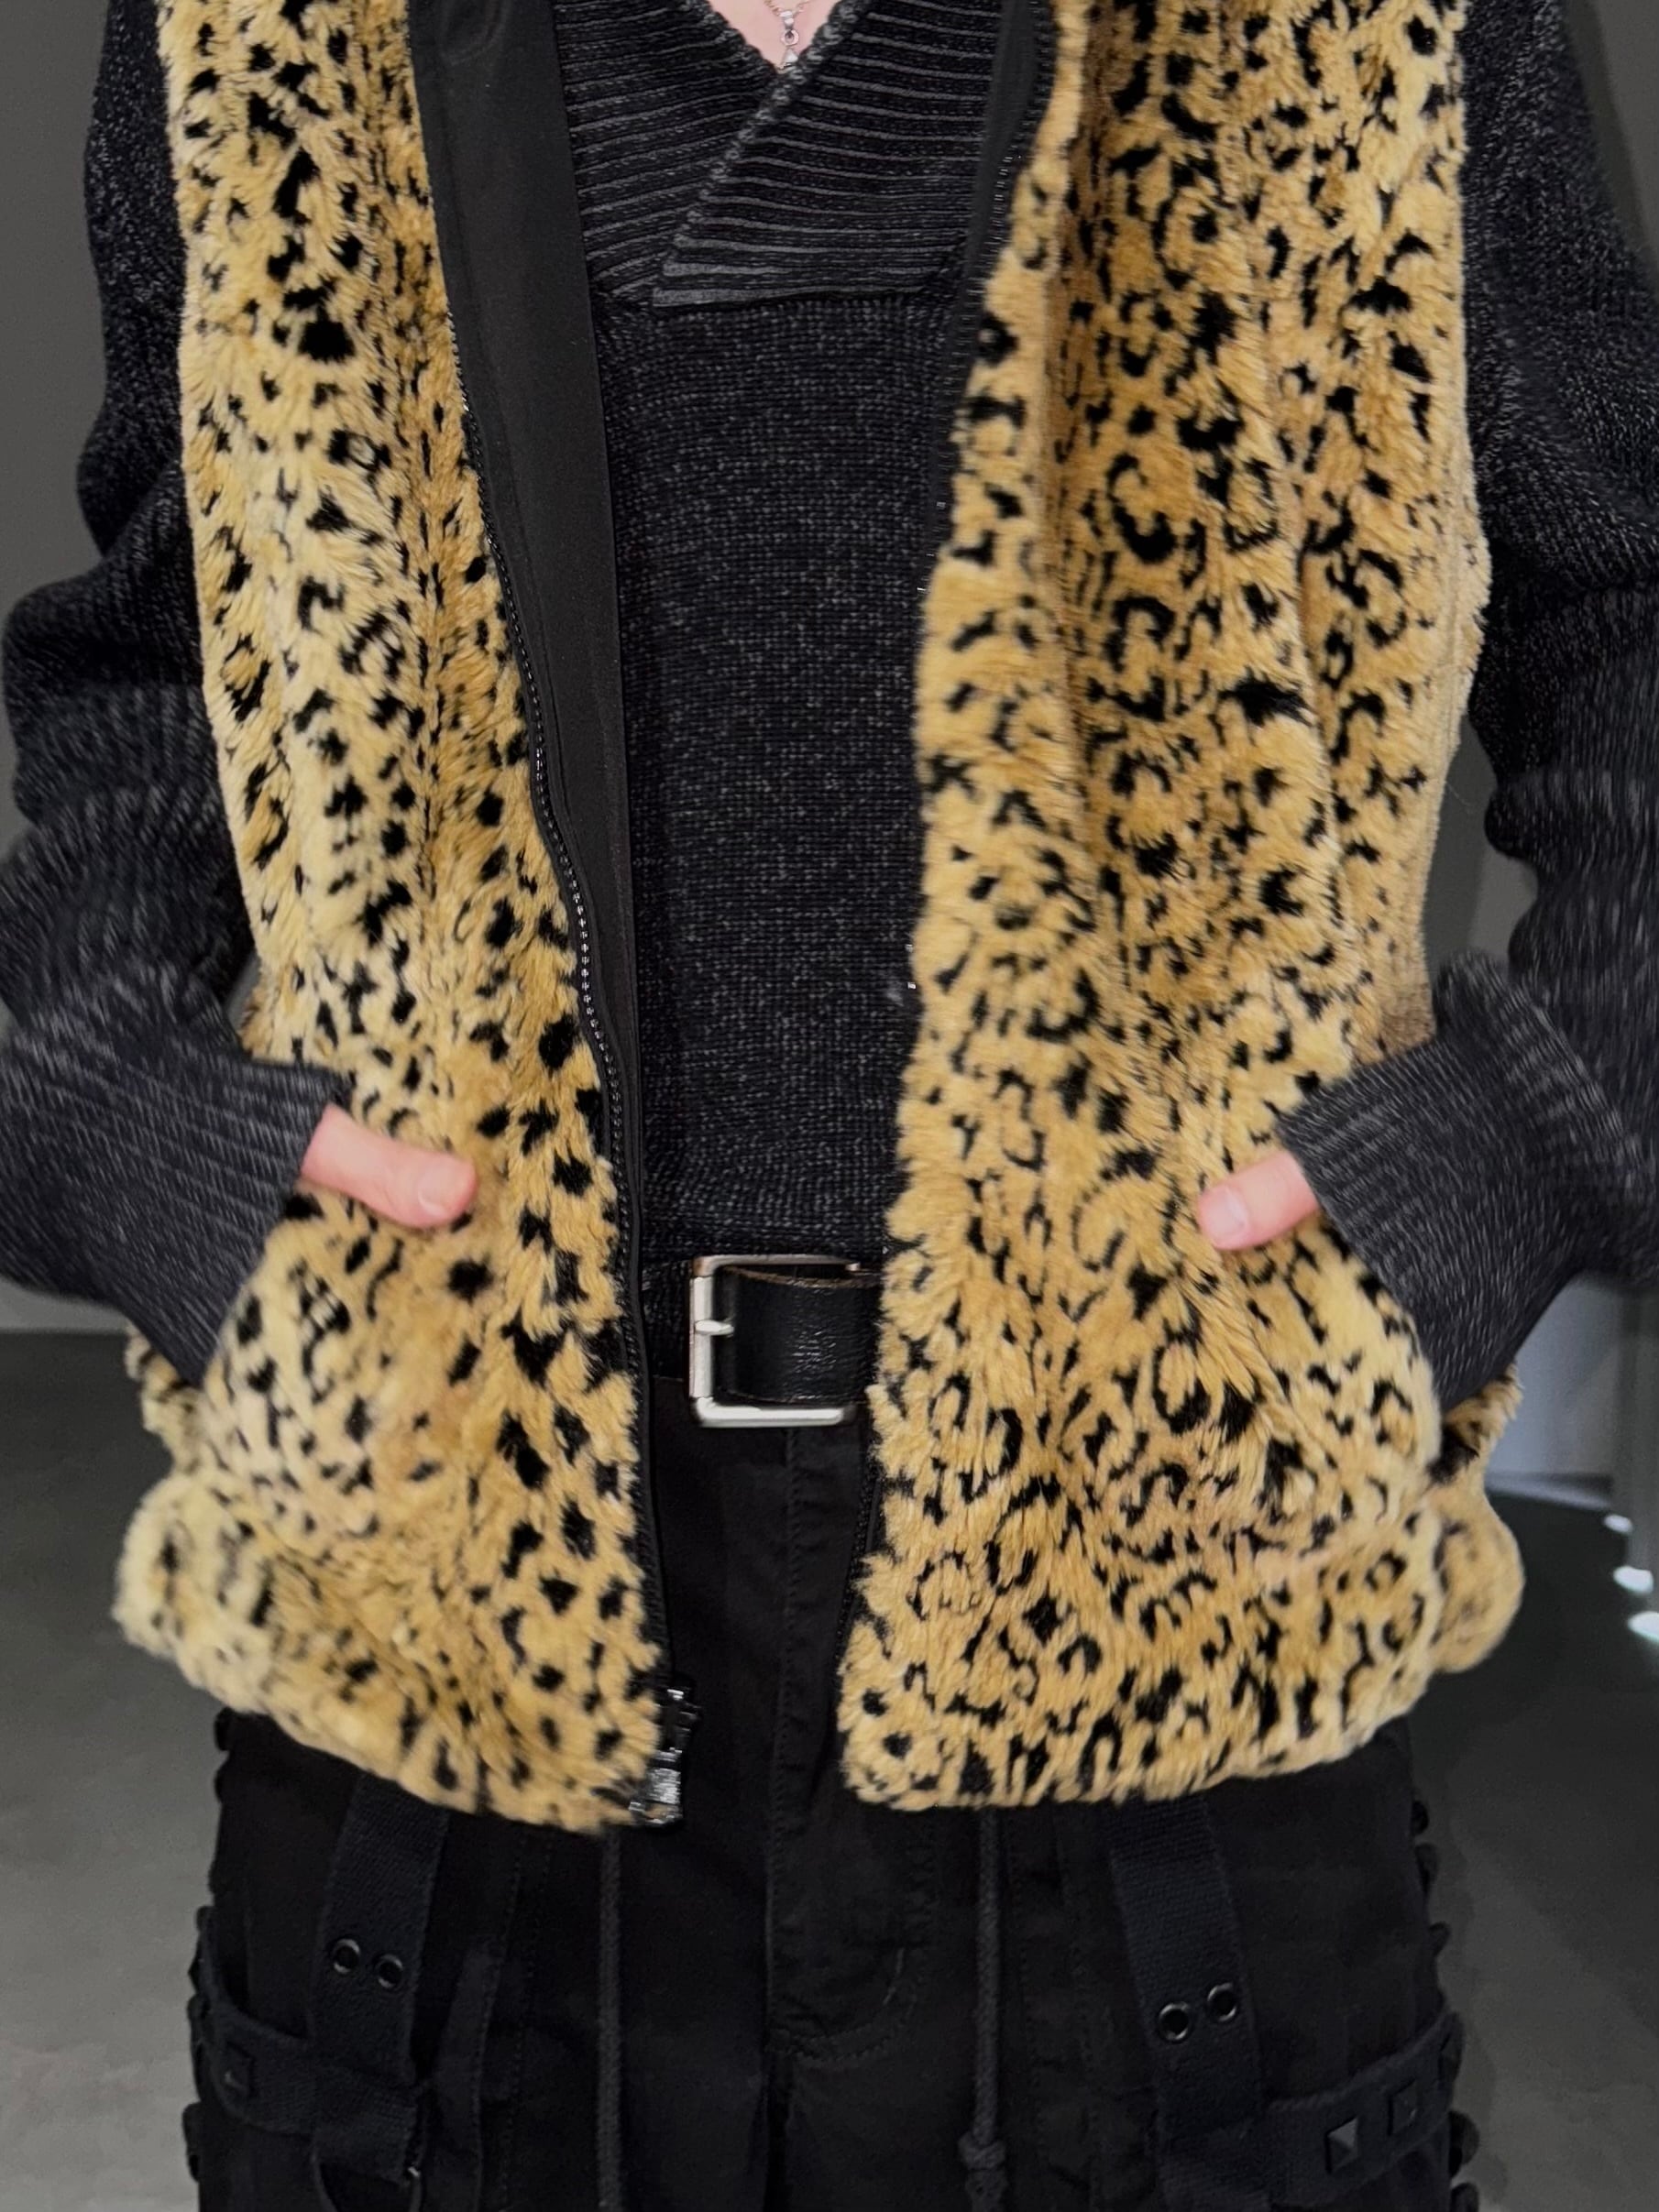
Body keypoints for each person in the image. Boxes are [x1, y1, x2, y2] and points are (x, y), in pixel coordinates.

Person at [3, 0, 1657, 2204]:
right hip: (447, 1590)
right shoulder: (257, 32)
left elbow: (1626, 607)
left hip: (1164, 1571)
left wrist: (1531, 1135)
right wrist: (101, 1103)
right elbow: (153, 639)